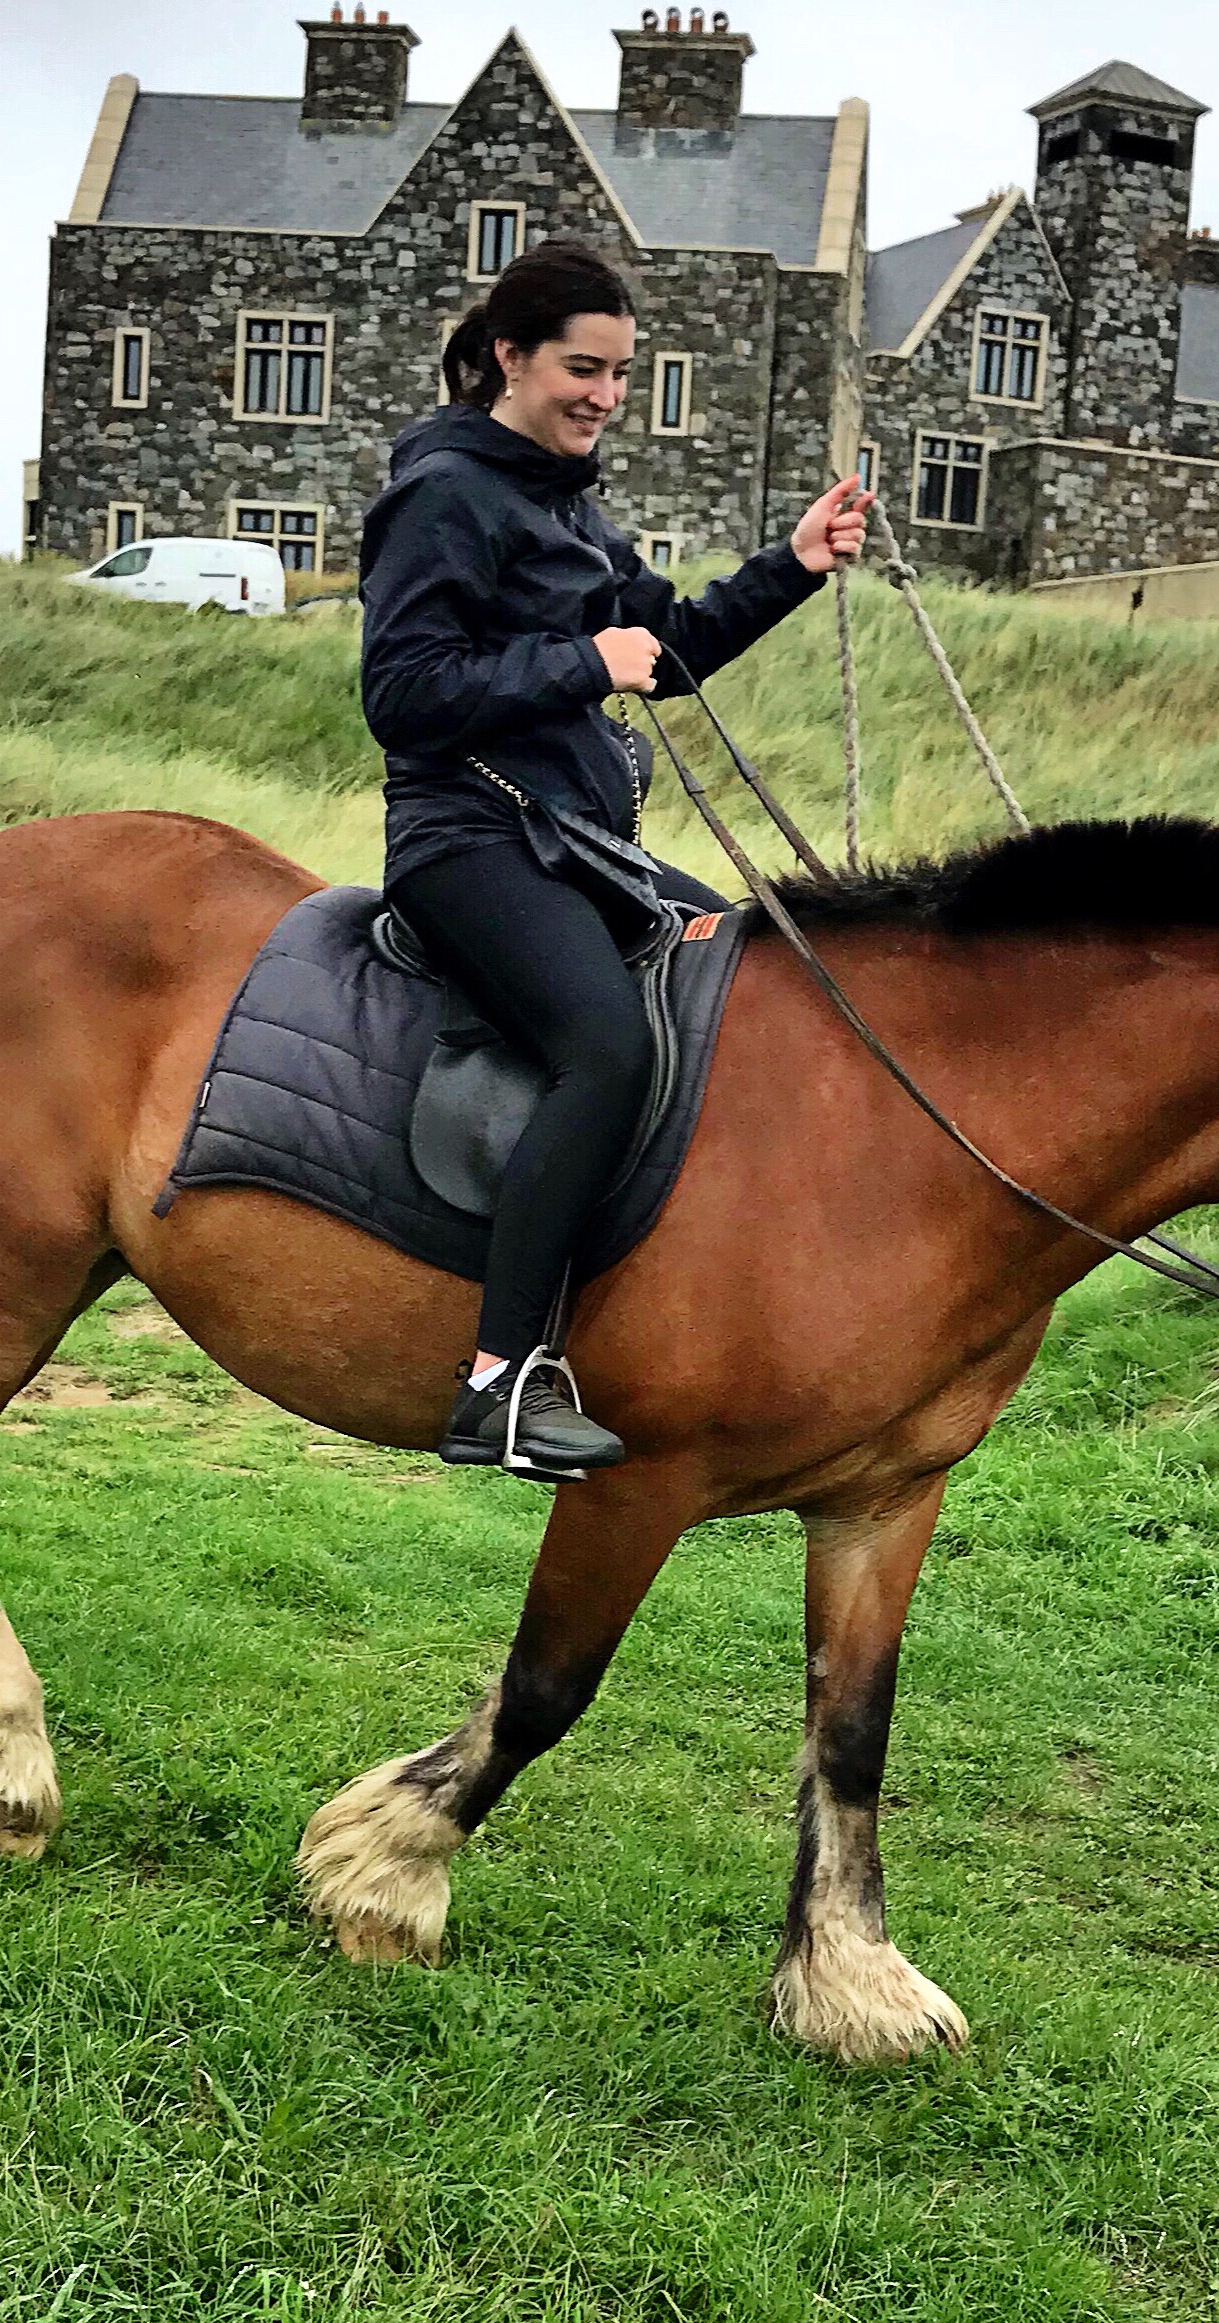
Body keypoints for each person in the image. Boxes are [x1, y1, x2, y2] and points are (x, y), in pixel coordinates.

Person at [359, 234, 869, 1479]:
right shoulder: (443, 494)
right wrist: (584, 665)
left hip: (578, 847)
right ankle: (500, 1384)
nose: (604, 395)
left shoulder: (564, 499)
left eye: (622, 375)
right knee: (608, 1046)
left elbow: (673, 644)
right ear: (507, 357)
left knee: (758, 980)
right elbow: (403, 695)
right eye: (582, 370)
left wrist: (792, 566)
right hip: (466, 837)